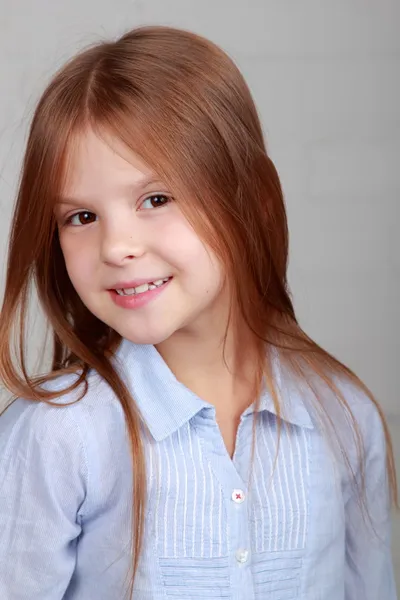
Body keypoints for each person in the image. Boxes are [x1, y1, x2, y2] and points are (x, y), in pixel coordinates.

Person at [0, 25, 397, 600]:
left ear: (253, 201)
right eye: (80, 217)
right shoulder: (59, 437)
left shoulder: (344, 419)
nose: (116, 247)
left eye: (155, 199)